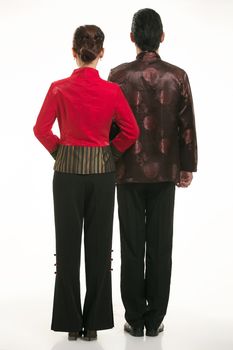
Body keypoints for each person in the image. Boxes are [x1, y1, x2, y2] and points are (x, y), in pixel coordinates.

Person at [33, 25, 139, 341]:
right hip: (102, 176)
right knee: (98, 249)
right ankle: (93, 324)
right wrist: (109, 154)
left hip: (66, 177)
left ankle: (68, 323)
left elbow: (41, 129)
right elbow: (130, 131)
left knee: (66, 250)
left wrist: (62, 152)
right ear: (101, 52)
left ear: (73, 52)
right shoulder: (111, 91)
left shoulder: (58, 88)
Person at [109, 9, 197, 337]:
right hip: (164, 173)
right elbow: (186, 126)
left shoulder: (117, 76)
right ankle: (155, 318)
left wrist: (107, 164)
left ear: (132, 37)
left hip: (126, 172)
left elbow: (109, 127)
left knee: (131, 244)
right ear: (162, 36)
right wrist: (186, 167)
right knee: (161, 246)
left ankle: (134, 318)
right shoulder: (177, 76)